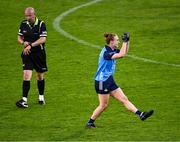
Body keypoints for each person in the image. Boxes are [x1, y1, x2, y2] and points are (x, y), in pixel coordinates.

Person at [86, 33, 154, 128]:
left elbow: (124, 53)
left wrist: (128, 41)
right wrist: (125, 42)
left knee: (124, 99)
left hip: (109, 79)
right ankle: (90, 122)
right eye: (117, 40)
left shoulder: (112, 50)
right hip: (102, 82)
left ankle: (141, 114)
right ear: (111, 41)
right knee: (103, 105)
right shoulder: (106, 53)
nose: (118, 41)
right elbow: (121, 55)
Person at [16, 7, 48, 108]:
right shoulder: (23, 24)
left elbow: (43, 39)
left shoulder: (41, 24)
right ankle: (24, 100)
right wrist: (23, 42)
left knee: (39, 76)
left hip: (39, 54)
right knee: (26, 75)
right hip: (27, 54)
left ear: (34, 15)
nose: (27, 17)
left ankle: (41, 96)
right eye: (26, 15)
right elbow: (19, 37)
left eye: (29, 16)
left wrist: (30, 45)